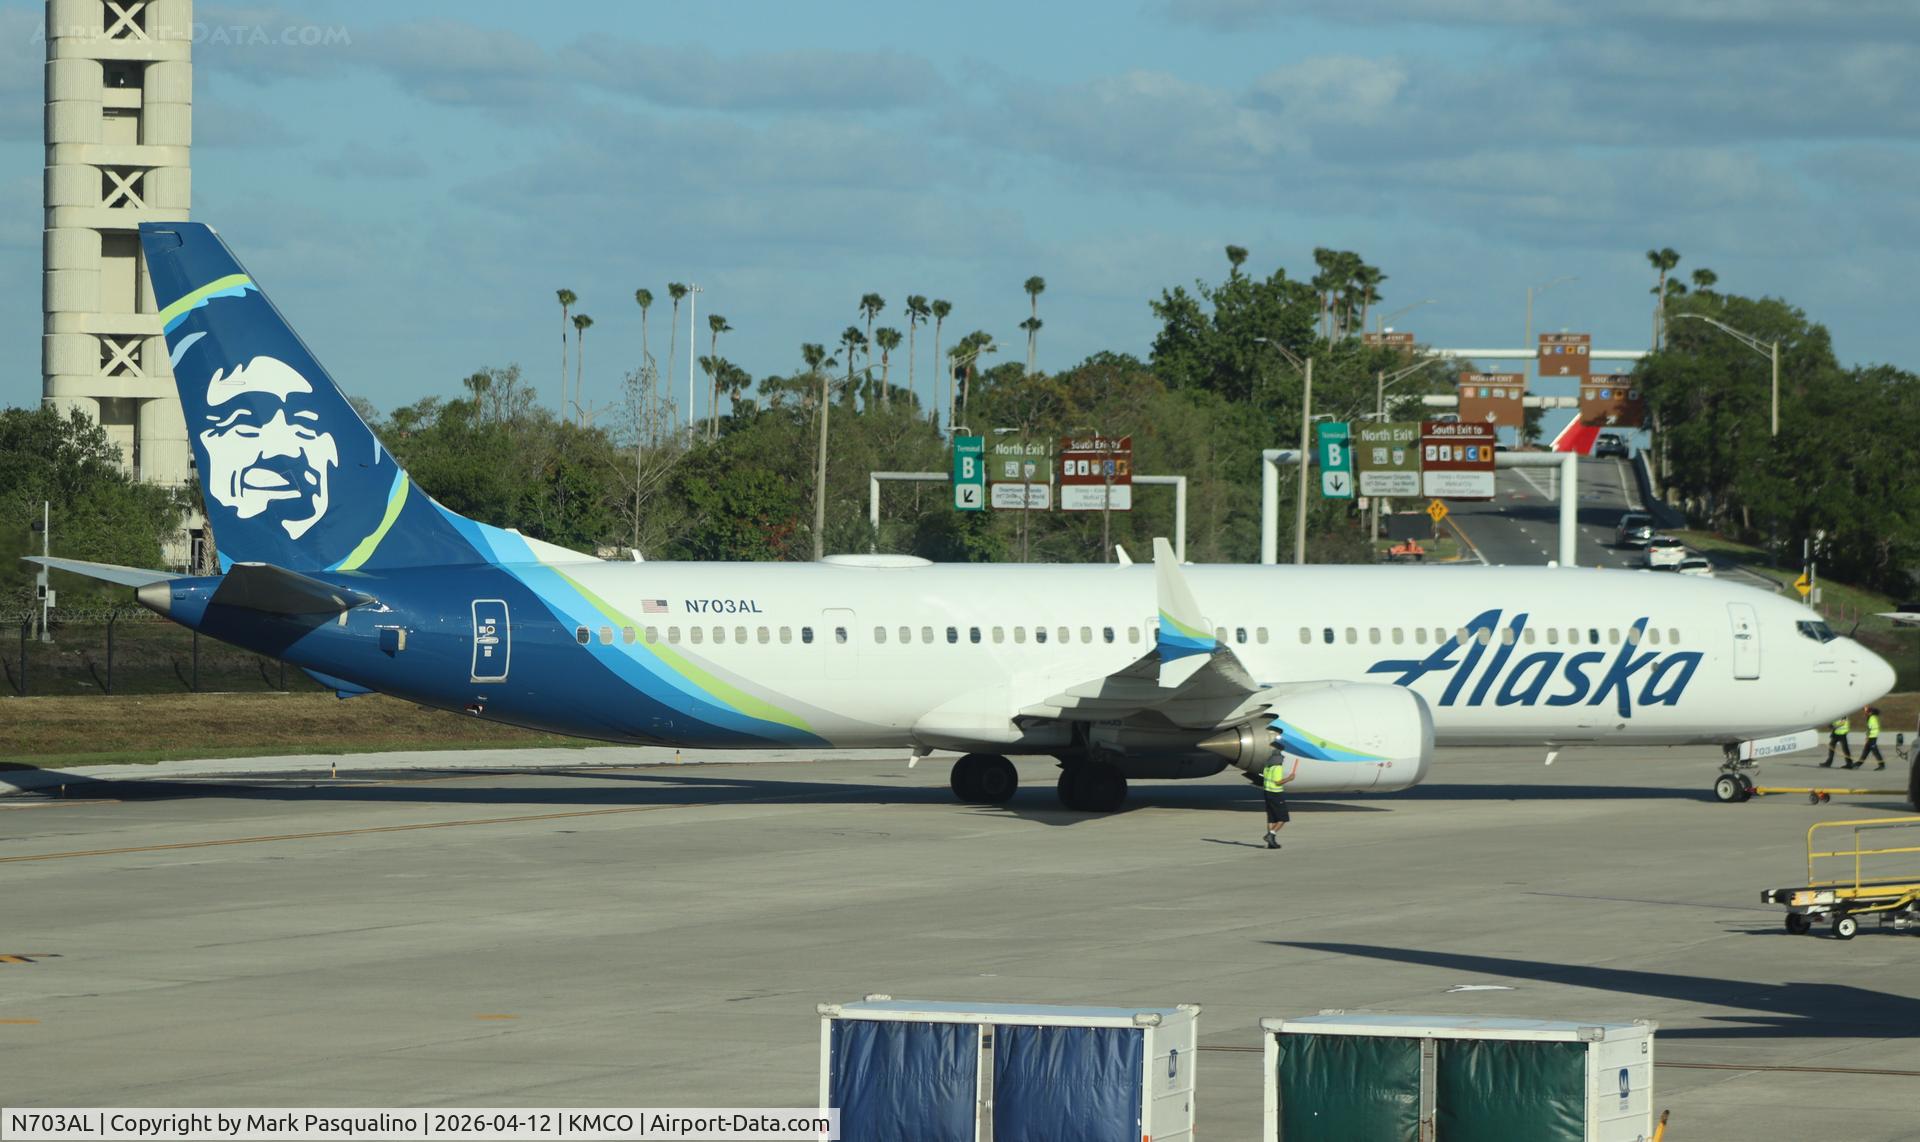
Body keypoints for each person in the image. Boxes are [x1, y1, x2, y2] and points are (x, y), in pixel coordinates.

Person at [1249, 743, 1290, 849]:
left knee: (1271, 818)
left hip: (1267, 793)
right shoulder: (1277, 768)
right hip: (1276, 794)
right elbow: (1278, 782)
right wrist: (1290, 779)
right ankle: (1271, 835)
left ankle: (1271, 843)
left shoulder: (1267, 766)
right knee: (1283, 818)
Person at [1860, 706, 1884, 771]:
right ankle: (1859, 763)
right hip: (1872, 737)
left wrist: (1867, 737)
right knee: (1866, 751)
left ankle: (1881, 765)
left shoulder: (1872, 718)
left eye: (1866, 711)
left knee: (1875, 752)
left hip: (1872, 737)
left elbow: (1870, 729)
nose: (1865, 713)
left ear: (1870, 712)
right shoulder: (1872, 717)